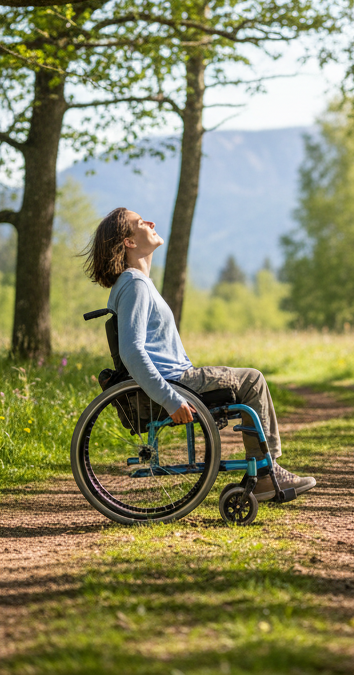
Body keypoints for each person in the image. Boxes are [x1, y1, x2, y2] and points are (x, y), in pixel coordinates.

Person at [83, 206, 316, 502]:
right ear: (128, 242)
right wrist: (170, 398)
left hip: (177, 380)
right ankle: (267, 475)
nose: (151, 222)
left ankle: (265, 474)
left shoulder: (134, 283)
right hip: (177, 382)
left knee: (248, 379)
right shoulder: (134, 284)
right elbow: (131, 350)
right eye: (141, 222)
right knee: (252, 380)